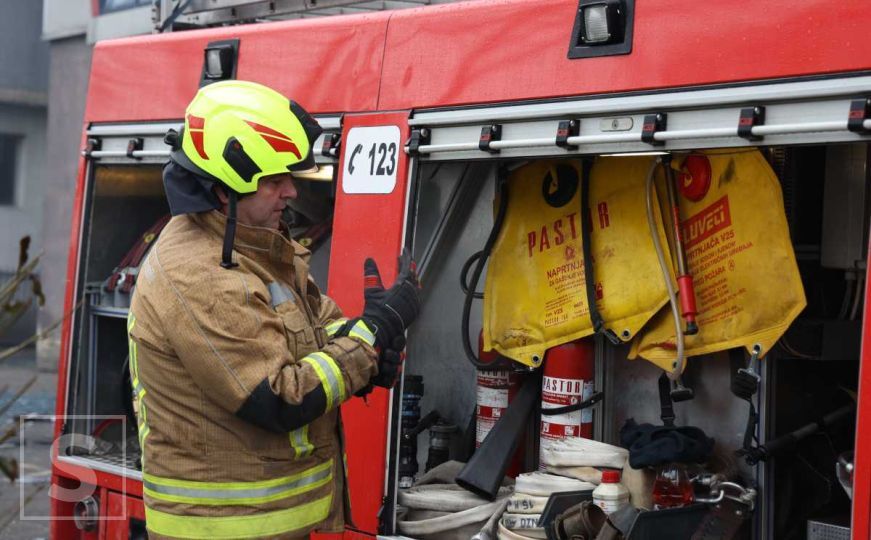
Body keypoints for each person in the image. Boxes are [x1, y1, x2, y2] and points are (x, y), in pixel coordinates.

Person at [127, 80, 420, 539]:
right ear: (225, 190)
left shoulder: (256, 248)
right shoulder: (199, 274)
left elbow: (315, 329)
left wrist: (365, 334)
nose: (291, 193)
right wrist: (371, 339)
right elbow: (277, 396)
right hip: (219, 530)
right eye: (274, 180)